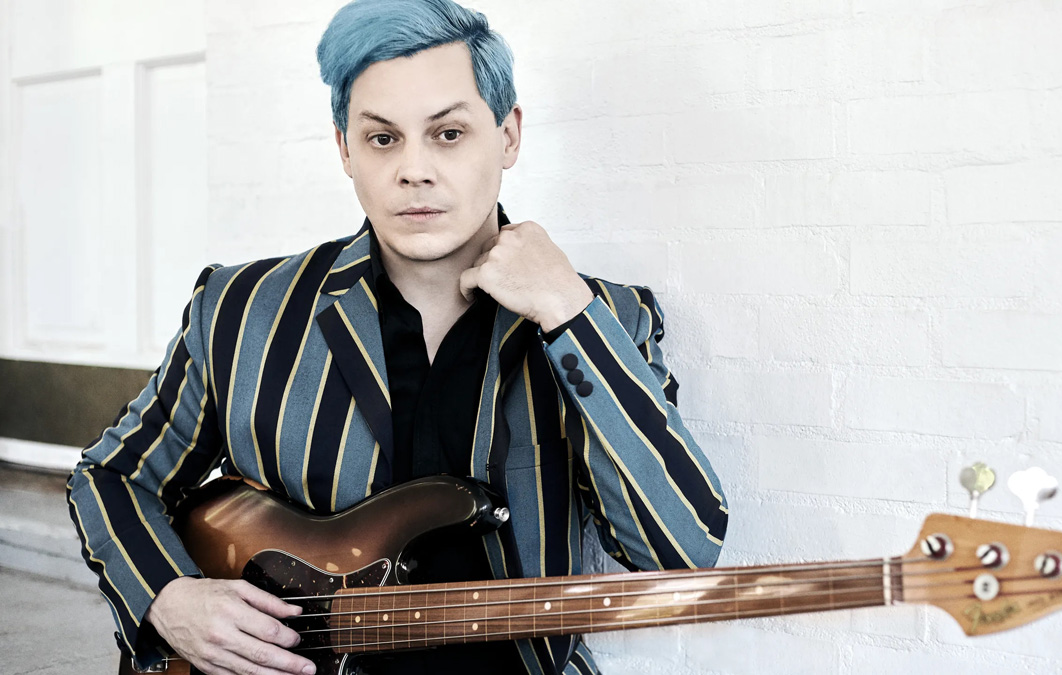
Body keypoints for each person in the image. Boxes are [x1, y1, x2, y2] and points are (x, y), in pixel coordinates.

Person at [65, 1, 727, 673]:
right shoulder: (241, 309)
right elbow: (112, 475)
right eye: (383, 138)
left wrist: (565, 311)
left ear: (508, 136)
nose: (414, 169)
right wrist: (167, 597)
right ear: (345, 150)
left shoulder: (606, 319)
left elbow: (680, 551)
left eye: (448, 134)